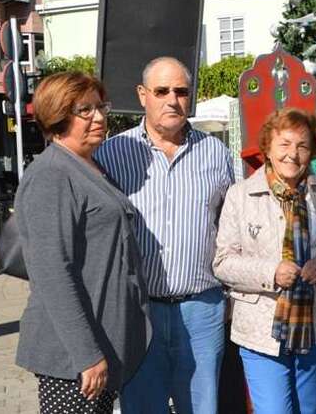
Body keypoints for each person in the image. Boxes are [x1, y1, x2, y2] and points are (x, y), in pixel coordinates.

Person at [94, 57, 234, 414]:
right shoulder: (111, 154)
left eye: (181, 91)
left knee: (202, 407)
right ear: (143, 95)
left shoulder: (216, 154)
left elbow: (230, 228)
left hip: (202, 310)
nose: (173, 100)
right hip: (138, 312)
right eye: (161, 91)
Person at [14, 72, 151, 414]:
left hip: (100, 342)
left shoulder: (88, 165)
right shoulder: (52, 174)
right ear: (58, 116)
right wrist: (86, 354)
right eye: (85, 110)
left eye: (100, 107)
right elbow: (52, 274)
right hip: (72, 359)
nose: (99, 117)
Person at [213, 107, 316, 414]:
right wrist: (270, 272)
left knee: (310, 410)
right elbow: (222, 262)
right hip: (261, 330)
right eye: (284, 144)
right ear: (268, 147)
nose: (293, 154)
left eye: (302, 146)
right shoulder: (241, 195)